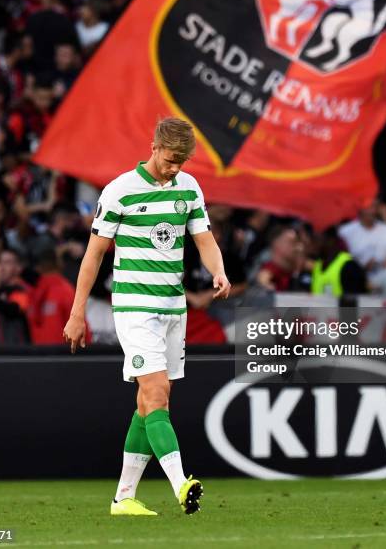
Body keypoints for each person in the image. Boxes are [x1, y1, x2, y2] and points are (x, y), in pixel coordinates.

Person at [63, 117, 230, 516]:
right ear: (155, 147)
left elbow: (203, 239)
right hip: (135, 308)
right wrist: (77, 312)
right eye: (171, 159)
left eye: (182, 161)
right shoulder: (120, 191)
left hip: (174, 307)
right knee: (157, 393)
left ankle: (123, 499)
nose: (176, 168)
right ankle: (181, 483)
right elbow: (94, 255)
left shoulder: (188, 188)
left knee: (148, 404)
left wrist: (218, 271)